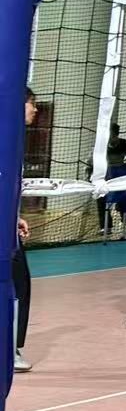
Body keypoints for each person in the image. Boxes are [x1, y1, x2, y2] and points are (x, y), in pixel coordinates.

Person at [13, 88, 36, 372]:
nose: (35, 109)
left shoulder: (16, 139)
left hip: (6, 223)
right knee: (18, 285)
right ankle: (10, 350)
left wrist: (14, 217)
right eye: (32, 104)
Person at [98, 122, 126, 239]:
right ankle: (105, 226)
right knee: (101, 197)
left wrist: (124, 168)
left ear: (116, 135)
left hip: (120, 173)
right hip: (105, 174)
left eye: (112, 136)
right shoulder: (100, 145)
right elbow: (92, 161)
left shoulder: (125, 144)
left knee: (125, 195)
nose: (110, 139)